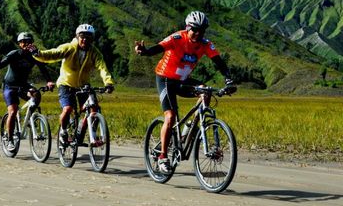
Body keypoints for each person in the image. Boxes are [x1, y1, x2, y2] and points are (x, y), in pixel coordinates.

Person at [134, 11, 234, 174]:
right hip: (165, 78)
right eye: (195, 30)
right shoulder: (177, 38)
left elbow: (219, 63)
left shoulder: (206, 44)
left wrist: (229, 81)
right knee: (170, 116)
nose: (198, 34)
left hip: (182, 80)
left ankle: (188, 130)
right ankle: (163, 157)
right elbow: (158, 48)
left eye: (202, 31)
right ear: (188, 28)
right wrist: (144, 51)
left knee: (206, 92)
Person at [31, 24, 114, 146]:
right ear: (77, 36)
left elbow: (102, 68)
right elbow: (53, 53)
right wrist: (38, 53)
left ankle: (82, 133)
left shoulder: (94, 52)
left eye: (88, 37)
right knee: (68, 109)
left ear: (92, 39)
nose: (85, 39)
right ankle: (63, 132)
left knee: (93, 109)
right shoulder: (69, 48)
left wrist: (108, 83)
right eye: (82, 36)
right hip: (66, 84)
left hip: (84, 86)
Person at [0, 32, 54, 152]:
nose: (25, 44)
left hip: (23, 85)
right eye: (23, 42)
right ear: (19, 44)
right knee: (13, 111)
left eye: (28, 41)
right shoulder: (14, 54)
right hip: (10, 86)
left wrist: (49, 81)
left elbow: (43, 68)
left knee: (36, 94)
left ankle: (31, 118)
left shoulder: (34, 55)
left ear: (32, 43)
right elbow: (0, 66)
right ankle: (9, 139)